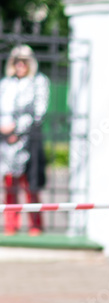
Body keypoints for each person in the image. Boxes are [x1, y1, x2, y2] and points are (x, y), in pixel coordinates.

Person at [1, 45, 50, 236]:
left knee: (31, 185)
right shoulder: (6, 83)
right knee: (9, 184)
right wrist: (4, 130)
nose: (20, 65)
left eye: (24, 62)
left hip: (29, 141)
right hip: (5, 142)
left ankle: (35, 225)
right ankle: (11, 225)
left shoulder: (38, 82)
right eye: (16, 61)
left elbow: (39, 112)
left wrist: (17, 129)